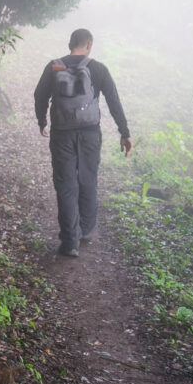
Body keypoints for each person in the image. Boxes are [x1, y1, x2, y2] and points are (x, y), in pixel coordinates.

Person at [34, 29, 133, 257]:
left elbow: (39, 95)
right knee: (88, 178)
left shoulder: (54, 66)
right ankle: (85, 230)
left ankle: (70, 242)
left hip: (62, 133)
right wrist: (124, 132)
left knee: (65, 184)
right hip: (89, 134)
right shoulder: (98, 69)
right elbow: (113, 101)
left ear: (70, 44)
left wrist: (42, 121)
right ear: (88, 45)